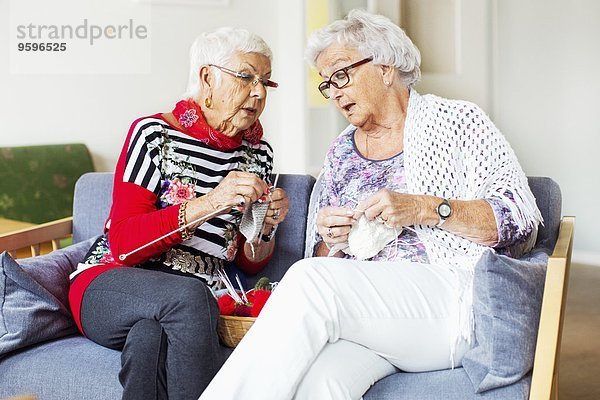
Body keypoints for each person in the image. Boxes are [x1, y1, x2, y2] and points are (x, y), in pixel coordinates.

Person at [199, 9, 543, 400]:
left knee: (311, 279)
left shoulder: (457, 121)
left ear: (385, 67)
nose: (335, 91)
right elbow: (325, 258)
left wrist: (424, 208)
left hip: (453, 303)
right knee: (319, 384)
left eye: (341, 74)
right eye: (327, 84)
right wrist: (332, 239)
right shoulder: (341, 152)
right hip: (372, 320)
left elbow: (519, 220)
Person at [67, 27, 289, 400]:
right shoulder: (153, 134)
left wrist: (264, 229)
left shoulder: (258, 154)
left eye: (266, 81)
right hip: (113, 283)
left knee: (149, 340)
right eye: (246, 76)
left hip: (188, 305)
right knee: (189, 297)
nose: (259, 92)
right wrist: (211, 202)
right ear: (207, 77)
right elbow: (123, 243)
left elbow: (249, 261)